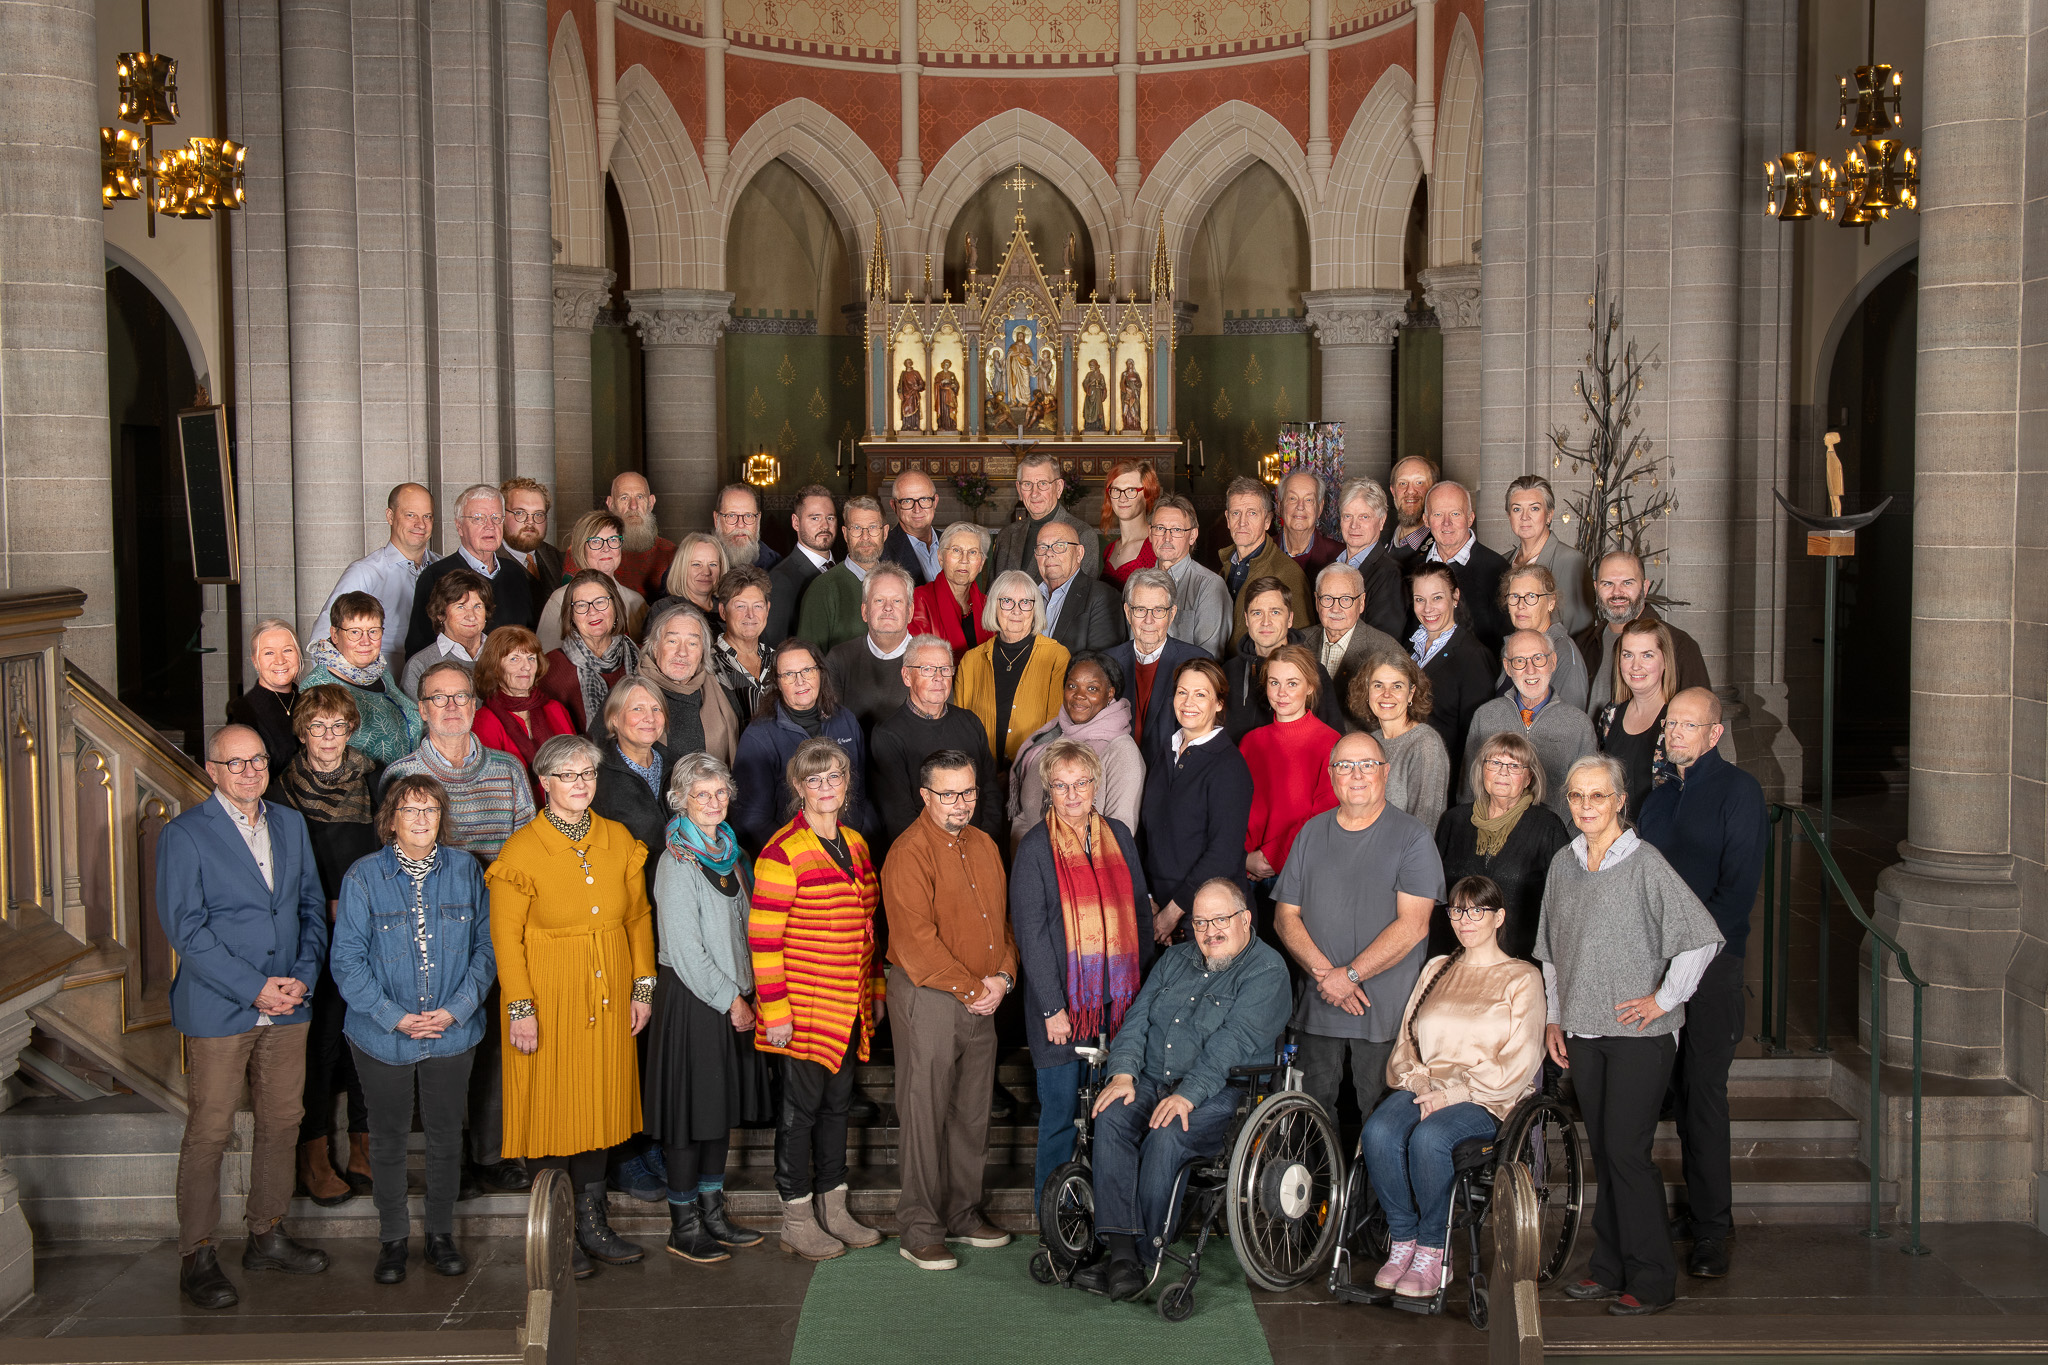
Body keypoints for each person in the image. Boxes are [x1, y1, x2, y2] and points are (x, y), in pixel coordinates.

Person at [1541, 753, 1722, 1317]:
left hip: (1640, 1036)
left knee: (1627, 1151)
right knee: (1605, 1150)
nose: (1587, 806)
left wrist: (1664, 999)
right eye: (1577, 796)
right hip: (1583, 1030)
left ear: (1620, 799)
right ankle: (1608, 1267)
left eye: (1599, 796)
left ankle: (1651, 1278)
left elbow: (1700, 937)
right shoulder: (1562, 865)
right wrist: (1554, 1016)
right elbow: (1550, 954)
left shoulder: (1646, 864)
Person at [158, 724, 331, 1309]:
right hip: (222, 1005)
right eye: (236, 764)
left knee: (283, 1120)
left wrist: (303, 976)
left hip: (289, 1002)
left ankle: (267, 1232)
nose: (250, 772)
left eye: (257, 760)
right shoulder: (185, 835)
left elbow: (310, 906)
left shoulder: (288, 822)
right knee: (210, 1129)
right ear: (212, 770)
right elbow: (186, 930)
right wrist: (254, 988)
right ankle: (197, 1253)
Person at [488, 734, 658, 1277]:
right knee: (550, 1108)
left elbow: (637, 919)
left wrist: (643, 988)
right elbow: (505, 939)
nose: (581, 784)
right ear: (545, 783)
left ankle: (593, 1222)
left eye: (588, 774)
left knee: (599, 1104)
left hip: (610, 987)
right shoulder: (521, 850)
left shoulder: (617, 838)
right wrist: (520, 1009)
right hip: (549, 993)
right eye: (569, 775)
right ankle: (556, 1232)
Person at [1075, 878, 1289, 1300]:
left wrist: (1189, 1094)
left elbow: (1233, 1043)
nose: (1210, 931)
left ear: (1245, 919)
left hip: (1223, 1090)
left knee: (1167, 1134)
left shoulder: (1267, 971)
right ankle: (1121, 1256)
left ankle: (1144, 1253)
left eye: (1221, 920)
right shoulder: (1175, 959)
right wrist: (1122, 1073)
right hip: (1154, 1078)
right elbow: (1136, 1019)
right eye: (1201, 922)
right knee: (1112, 1113)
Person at [330, 774, 496, 1285]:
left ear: (441, 818)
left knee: (447, 1136)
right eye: (410, 810)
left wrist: (455, 1010)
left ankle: (440, 1234)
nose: (421, 819)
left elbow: (486, 951)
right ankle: (393, 1238)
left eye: (430, 810)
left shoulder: (467, 870)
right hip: (382, 1033)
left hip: (452, 1028)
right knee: (387, 1137)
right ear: (391, 820)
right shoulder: (362, 877)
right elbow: (347, 961)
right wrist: (393, 1016)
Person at [1636, 688, 1768, 1281]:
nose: (1678, 733)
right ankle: (1684, 1212)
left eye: (1691, 725)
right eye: (1672, 724)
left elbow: (1736, 893)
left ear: (1715, 734)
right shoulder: (1658, 800)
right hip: (1654, 968)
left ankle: (1715, 1228)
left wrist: (1688, 955)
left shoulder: (1739, 793)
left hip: (1712, 967)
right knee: (1663, 1091)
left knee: (1704, 1097)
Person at [1363, 873, 1545, 1300]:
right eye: (1457, 910)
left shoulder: (1522, 977)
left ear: (1498, 917)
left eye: (1476, 910)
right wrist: (1421, 1079)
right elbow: (1408, 1037)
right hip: (1427, 1083)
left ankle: (1432, 1250)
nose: (1465, 920)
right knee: (1378, 1131)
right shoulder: (1436, 968)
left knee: (1430, 1138)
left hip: (1485, 1095)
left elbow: (1520, 1058)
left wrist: (1455, 1094)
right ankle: (1403, 1240)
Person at [750, 737, 888, 1261]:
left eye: (834, 777)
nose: (826, 787)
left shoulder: (854, 843)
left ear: (846, 783)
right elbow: (763, 939)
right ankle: (797, 1216)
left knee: (836, 1109)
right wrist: (776, 1011)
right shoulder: (782, 851)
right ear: (797, 787)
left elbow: (868, 926)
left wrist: (873, 991)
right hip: (802, 1008)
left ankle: (835, 1206)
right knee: (799, 1114)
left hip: (847, 1004)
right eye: (815, 780)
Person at [883, 749, 1020, 1270]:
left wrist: (1004, 978)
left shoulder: (985, 844)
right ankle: (919, 1228)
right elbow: (917, 944)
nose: (960, 803)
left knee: (971, 1112)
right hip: (931, 998)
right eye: (948, 794)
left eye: (968, 792)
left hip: (983, 996)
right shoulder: (908, 852)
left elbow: (1003, 923)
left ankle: (963, 1214)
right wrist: (974, 988)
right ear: (925, 796)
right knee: (925, 1112)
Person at [1010, 739, 1154, 1201]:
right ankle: (1054, 1224)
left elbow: (1141, 917)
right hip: (1061, 1012)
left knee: (1110, 1118)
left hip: (1119, 1006)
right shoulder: (1034, 848)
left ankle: (1104, 1214)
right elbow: (1030, 936)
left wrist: (1144, 999)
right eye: (1061, 786)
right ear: (1048, 790)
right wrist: (1053, 1008)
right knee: (1060, 1120)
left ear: (1097, 784)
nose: (1073, 795)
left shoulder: (1120, 836)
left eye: (1082, 784)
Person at [643, 753, 774, 1263]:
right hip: (697, 1001)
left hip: (735, 996)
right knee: (689, 1117)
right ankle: (683, 1223)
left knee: (717, 1114)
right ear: (681, 800)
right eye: (702, 794)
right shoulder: (676, 862)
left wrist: (753, 990)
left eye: (720, 792)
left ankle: (714, 1214)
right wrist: (731, 1001)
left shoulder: (731, 853)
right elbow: (684, 949)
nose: (714, 802)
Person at [1274, 731, 1444, 1121]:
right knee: (1308, 1121)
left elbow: (1414, 926)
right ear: (1332, 776)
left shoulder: (1413, 837)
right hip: (1319, 1006)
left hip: (1385, 1012)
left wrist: (1349, 975)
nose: (1357, 775)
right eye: (1345, 766)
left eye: (1367, 765)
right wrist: (1329, 978)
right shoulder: (1310, 833)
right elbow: (1285, 918)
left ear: (1385, 773)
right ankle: (1322, 1187)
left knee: (1381, 1124)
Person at [265, 685, 380, 1209]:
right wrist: (324, 904)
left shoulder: (375, 778)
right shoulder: (280, 791)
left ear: (350, 729)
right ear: (303, 732)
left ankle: (364, 1147)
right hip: (311, 930)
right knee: (322, 1042)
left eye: (338, 727)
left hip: (368, 930)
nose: (329, 737)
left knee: (365, 1036)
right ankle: (314, 1158)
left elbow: (388, 851)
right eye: (318, 728)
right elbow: (279, 870)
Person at [1137, 659, 1254, 948]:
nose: (1188, 702)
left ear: (1218, 703)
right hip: (1158, 914)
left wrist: (1171, 914)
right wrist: (1149, 899)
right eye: (1182, 692)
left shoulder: (1228, 766)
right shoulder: (1166, 752)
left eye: (1201, 694)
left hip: (1206, 921)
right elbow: (1146, 831)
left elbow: (1222, 855)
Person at [1433, 732, 1570, 961]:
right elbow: (1435, 896)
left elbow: (1564, 901)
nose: (1503, 772)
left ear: (1528, 778)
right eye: (1495, 763)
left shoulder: (1547, 826)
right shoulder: (1453, 821)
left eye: (1514, 766)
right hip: (1453, 956)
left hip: (1518, 960)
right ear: (1482, 771)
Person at [380, 660, 536, 861]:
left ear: (472, 706)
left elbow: (527, 848)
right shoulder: (401, 774)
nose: (451, 706)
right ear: (423, 710)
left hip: (501, 888)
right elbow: (392, 856)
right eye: (439, 697)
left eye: (460, 696)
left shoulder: (509, 768)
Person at [732, 638, 873, 853]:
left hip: (846, 842)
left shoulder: (845, 720)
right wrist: (804, 856)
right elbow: (753, 819)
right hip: (793, 852)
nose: (800, 681)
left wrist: (846, 844)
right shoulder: (759, 736)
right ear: (777, 682)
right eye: (789, 674)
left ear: (820, 673)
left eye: (807, 670)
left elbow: (859, 792)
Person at [868, 635, 1004, 848]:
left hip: (978, 847)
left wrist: (984, 844)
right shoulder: (888, 735)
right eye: (928, 669)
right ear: (906, 676)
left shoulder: (970, 722)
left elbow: (990, 793)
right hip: (926, 855)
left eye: (945, 669)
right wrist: (945, 856)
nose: (938, 678)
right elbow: (899, 817)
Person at [1009, 652, 1144, 847]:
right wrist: (1027, 860)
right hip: (1030, 862)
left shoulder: (1121, 751)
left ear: (1110, 694)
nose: (1079, 695)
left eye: (1092, 688)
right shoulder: (1051, 736)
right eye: (1072, 686)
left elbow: (1119, 835)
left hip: (1082, 870)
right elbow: (1023, 816)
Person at [1464, 629, 1597, 818]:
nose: (1530, 670)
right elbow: (1468, 791)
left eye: (1538, 658)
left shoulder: (1579, 725)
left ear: (1553, 662)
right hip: (1491, 834)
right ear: (1508, 668)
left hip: (1554, 841)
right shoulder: (1485, 716)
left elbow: (1587, 799)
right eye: (1520, 661)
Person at [1241, 645, 1342, 891]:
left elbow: (1325, 815)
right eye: (1274, 683)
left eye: (1292, 684)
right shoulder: (1251, 741)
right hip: (1248, 868)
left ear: (1310, 687)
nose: (1282, 693)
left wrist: (1272, 857)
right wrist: (1244, 858)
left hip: (1299, 870)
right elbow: (1235, 807)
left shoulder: (1331, 742)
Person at [315, 482, 438, 674]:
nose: (420, 524)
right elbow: (322, 641)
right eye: (410, 515)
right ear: (390, 516)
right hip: (384, 686)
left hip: (439, 685)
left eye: (427, 516)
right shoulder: (364, 572)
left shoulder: (444, 569)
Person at [954, 570, 1071, 766]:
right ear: (994, 606)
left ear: (1035, 610)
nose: (1016, 610)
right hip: (980, 775)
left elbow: (1055, 729)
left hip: (1034, 772)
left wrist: (1017, 773)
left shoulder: (1057, 657)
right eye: (1007, 601)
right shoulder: (970, 661)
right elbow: (960, 728)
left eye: (1025, 602)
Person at [404, 484, 534, 657]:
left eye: (496, 518)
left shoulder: (515, 573)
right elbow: (419, 649)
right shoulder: (436, 576)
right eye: (479, 518)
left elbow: (530, 635)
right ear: (459, 526)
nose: (490, 526)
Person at [1574, 550, 1711, 704]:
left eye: (1627, 583)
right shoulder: (1583, 643)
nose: (1617, 592)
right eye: (1607, 584)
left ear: (1645, 587)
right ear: (1596, 587)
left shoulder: (1679, 644)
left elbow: (1700, 714)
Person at [302, 593, 422, 767]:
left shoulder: (380, 673)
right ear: (334, 635)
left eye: (373, 631)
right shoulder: (318, 687)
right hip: (361, 791)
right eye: (354, 632)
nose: (365, 641)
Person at [1103, 568, 1207, 768]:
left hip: (1171, 778)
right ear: (1127, 612)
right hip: (1117, 773)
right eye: (1140, 609)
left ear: (1172, 613)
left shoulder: (1198, 662)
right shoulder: (1107, 662)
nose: (1148, 621)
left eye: (1158, 610)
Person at [1222, 576, 1347, 741]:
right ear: (1246, 619)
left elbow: (1334, 741)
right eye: (1257, 613)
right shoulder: (1228, 671)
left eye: (1275, 612)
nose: (1266, 622)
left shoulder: (1312, 672)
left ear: (1290, 619)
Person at [591, 677, 682, 892]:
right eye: (637, 709)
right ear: (614, 719)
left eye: (656, 709)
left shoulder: (680, 767)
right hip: (630, 895)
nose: (649, 718)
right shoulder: (595, 776)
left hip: (682, 889)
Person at [1408, 562, 1495, 784]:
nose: (1428, 609)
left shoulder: (1473, 656)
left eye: (1437, 598)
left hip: (1443, 778)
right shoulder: (1409, 648)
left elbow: (1475, 737)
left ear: (1455, 597)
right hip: (1408, 770)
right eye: (1420, 599)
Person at [1352, 654, 1452, 837]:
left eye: (1397, 686)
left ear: (1411, 693)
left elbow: (1425, 826)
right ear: (1367, 691)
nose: (1386, 694)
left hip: (1403, 860)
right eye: (1378, 685)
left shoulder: (1425, 743)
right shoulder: (1369, 742)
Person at [471, 627, 577, 798]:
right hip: (515, 811)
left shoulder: (555, 709)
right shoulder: (484, 720)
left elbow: (577, 763)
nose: (526, 667)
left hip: (567, 803)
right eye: (514, 659)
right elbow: (490, 785)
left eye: (531, 658)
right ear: (495, 667)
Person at [1595, 616, 1680, 820]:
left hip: (1658, 842)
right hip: (1614, 839)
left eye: (1647, 655)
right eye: (1628, 655)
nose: (1635, 666)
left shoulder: (1677, 721)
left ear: (1665, 661)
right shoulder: (1611, 714)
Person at [637, 600, 741, 766]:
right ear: (655, 646)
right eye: (672, 641)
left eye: (692, 643)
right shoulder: (628, 694)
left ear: (702, 652)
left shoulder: (721, 692)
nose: (682, 652)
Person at [1414, 481, 1510, 655]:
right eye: (1437, 514)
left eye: (1455, 513)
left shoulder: (1497, 570)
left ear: (1470, 518)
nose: (1446, 523)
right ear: (1426, 520)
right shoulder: (1412, 568)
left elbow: (1506, 640)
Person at [540, 571, 640, 734]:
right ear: (571, 615)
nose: (592, 611)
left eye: (600, 602)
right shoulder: (551, 667)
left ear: (615, 606)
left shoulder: (642, 658)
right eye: (581, 605)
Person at [1305, 562, 1401, 730]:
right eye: (1327, 598)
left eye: (1346, 600)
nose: (1336, 608)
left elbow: (1397, 724)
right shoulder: (1298, 641)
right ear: (1316, 601)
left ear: (1362, 602)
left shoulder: (1387, 650)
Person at [538, 512, 651, 652]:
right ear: (581, 547)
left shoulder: (636, 602)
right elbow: (546, 659)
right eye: (596, 541)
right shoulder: (560, 600)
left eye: (613, 540)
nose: (606, 548)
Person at [824, 561, 915, 733]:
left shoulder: (931, 661)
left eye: (897, 601)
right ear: (864, 612)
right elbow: (831, 729)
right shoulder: (838, 659)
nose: (888, 608)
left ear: (910, 612)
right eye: (879, 600)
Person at [1220, 477, 1310, 649]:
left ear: (1268, 520)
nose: (1242, 522)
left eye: (1252, 513)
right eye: (1236, 513)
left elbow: (1301, 642)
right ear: (1227, 519)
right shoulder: (1225, 566)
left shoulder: (1288, 574)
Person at [985, 452, 1100, 585]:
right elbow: (992, 593)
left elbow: (1084, 597)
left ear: (1059, 487)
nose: (1034, 493)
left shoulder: (1082, 535)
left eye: (1043, 483)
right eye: (1027, 484)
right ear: (1019, 489)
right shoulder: (1006, 535)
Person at [796, 496, 888, 653]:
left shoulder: (897, 584)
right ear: (845, 534)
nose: (865, 537)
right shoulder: (822, 589)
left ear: (884, 532)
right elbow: (808, 658)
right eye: (856, 528)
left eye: (872, 528)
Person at [1504, 475, 1593, 635]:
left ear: (1549, 515)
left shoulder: (1571, 562)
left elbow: (1581, 635)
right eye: (1517, 509)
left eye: (1534, 508)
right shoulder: (1502, 562)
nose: (1524, 517)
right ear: (1509, 516)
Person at [1146, 493, 1232, 659]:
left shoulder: (1210, 586)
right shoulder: (1137, 584)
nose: (1166, 537)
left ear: (1192, 536)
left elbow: (1209, 658)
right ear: (1150, 533)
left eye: (1177, 530)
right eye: (1160, 528)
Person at [566, 471, 675, 599]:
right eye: (624, 498)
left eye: (640, 497)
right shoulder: (585, 552)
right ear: (611, 504)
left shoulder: (670, 553)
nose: (633, 506)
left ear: (650, 503)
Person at [1501, 564, 1591, 712]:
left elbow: (1569, 724)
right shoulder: (1511, 647)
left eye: (1531, 596)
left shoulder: (1564, 654)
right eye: (1514, 596)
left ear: (1551, 602)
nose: (1520, 605)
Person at [399, 568, 493, 698]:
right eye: (461, 606)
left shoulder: (504, 655)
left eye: (477, 606)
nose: (471, 616)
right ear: (440, 614)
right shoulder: (420, 665)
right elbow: (412, 717)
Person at [1037, 517, 1125, 654]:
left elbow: (1100, 666)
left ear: (1079, 554)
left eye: (1059, 546)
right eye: (1042, 547)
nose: (1049, 553)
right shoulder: (1028, 597)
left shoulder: (1102, 597)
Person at [765, 484, 839, 645]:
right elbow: (776, 643)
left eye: (830, 517)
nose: (825, 525)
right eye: (815, 518)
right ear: (796, 522)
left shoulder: (843, 569)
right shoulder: (780, 579)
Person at [1332, 480, 1407, 639]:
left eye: (1364, 517)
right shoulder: (1332, 567)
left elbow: (1384, 640)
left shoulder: (1391, 575)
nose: (1354, 525)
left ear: (1381, 521)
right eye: (1347, 516)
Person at [229, 618, 305, 773]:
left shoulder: (311, 702)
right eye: (269, 653)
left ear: (298, 655)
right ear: (255, 662)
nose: (280, 660)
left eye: (287, 650)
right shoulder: (243, 711)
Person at [711, 564, 776, 720]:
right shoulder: (707, 664)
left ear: (767, 609)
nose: (750, 615)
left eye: (758, 606)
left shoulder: (777, 659)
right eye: (740, 606)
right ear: (723, 611)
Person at [1099, 458, 1159, 587]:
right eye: (1116, 490)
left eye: (1131, 490)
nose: (1122, 498)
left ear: (1148, 495)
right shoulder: (1109, 550)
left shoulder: (1156, 545)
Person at [500, 475, 563, 591]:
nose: (530, 522)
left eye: (538, 514)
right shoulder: (488, 564)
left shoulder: (556, 557)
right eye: (520, 513)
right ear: (501, 515)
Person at [1277, 469, 1342, 576]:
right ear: (1280, 506)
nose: (1300, 507)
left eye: (1309, 500)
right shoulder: (1260, 551)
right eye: (1292, 498)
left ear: (1319, 508)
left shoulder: (1339, 556)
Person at [881, 469, 941, 585]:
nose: (917, 509)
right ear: (894, 506)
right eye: (907, 501)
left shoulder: (951, 542)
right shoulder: (883, 551)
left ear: (935, 502)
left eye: (924, 499)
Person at [658, 531, 731, 620]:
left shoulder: (728, 610)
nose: (706, 572)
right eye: (696, 564)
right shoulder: (663, 609)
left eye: (713, 564)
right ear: (681, 568)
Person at [715, 481, 779, 572]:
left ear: (758, 520)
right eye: (731, 516)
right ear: (716, 519)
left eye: (748, 516)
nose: (740, 525)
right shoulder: (701, 567)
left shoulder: (776, 565)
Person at [1388, 456, 1436, 555]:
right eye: (1403, 483)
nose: (1410, 491)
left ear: (1433, 490)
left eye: (1419, 482)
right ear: (1393, 491)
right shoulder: (1381, 545)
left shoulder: (1440, 551)